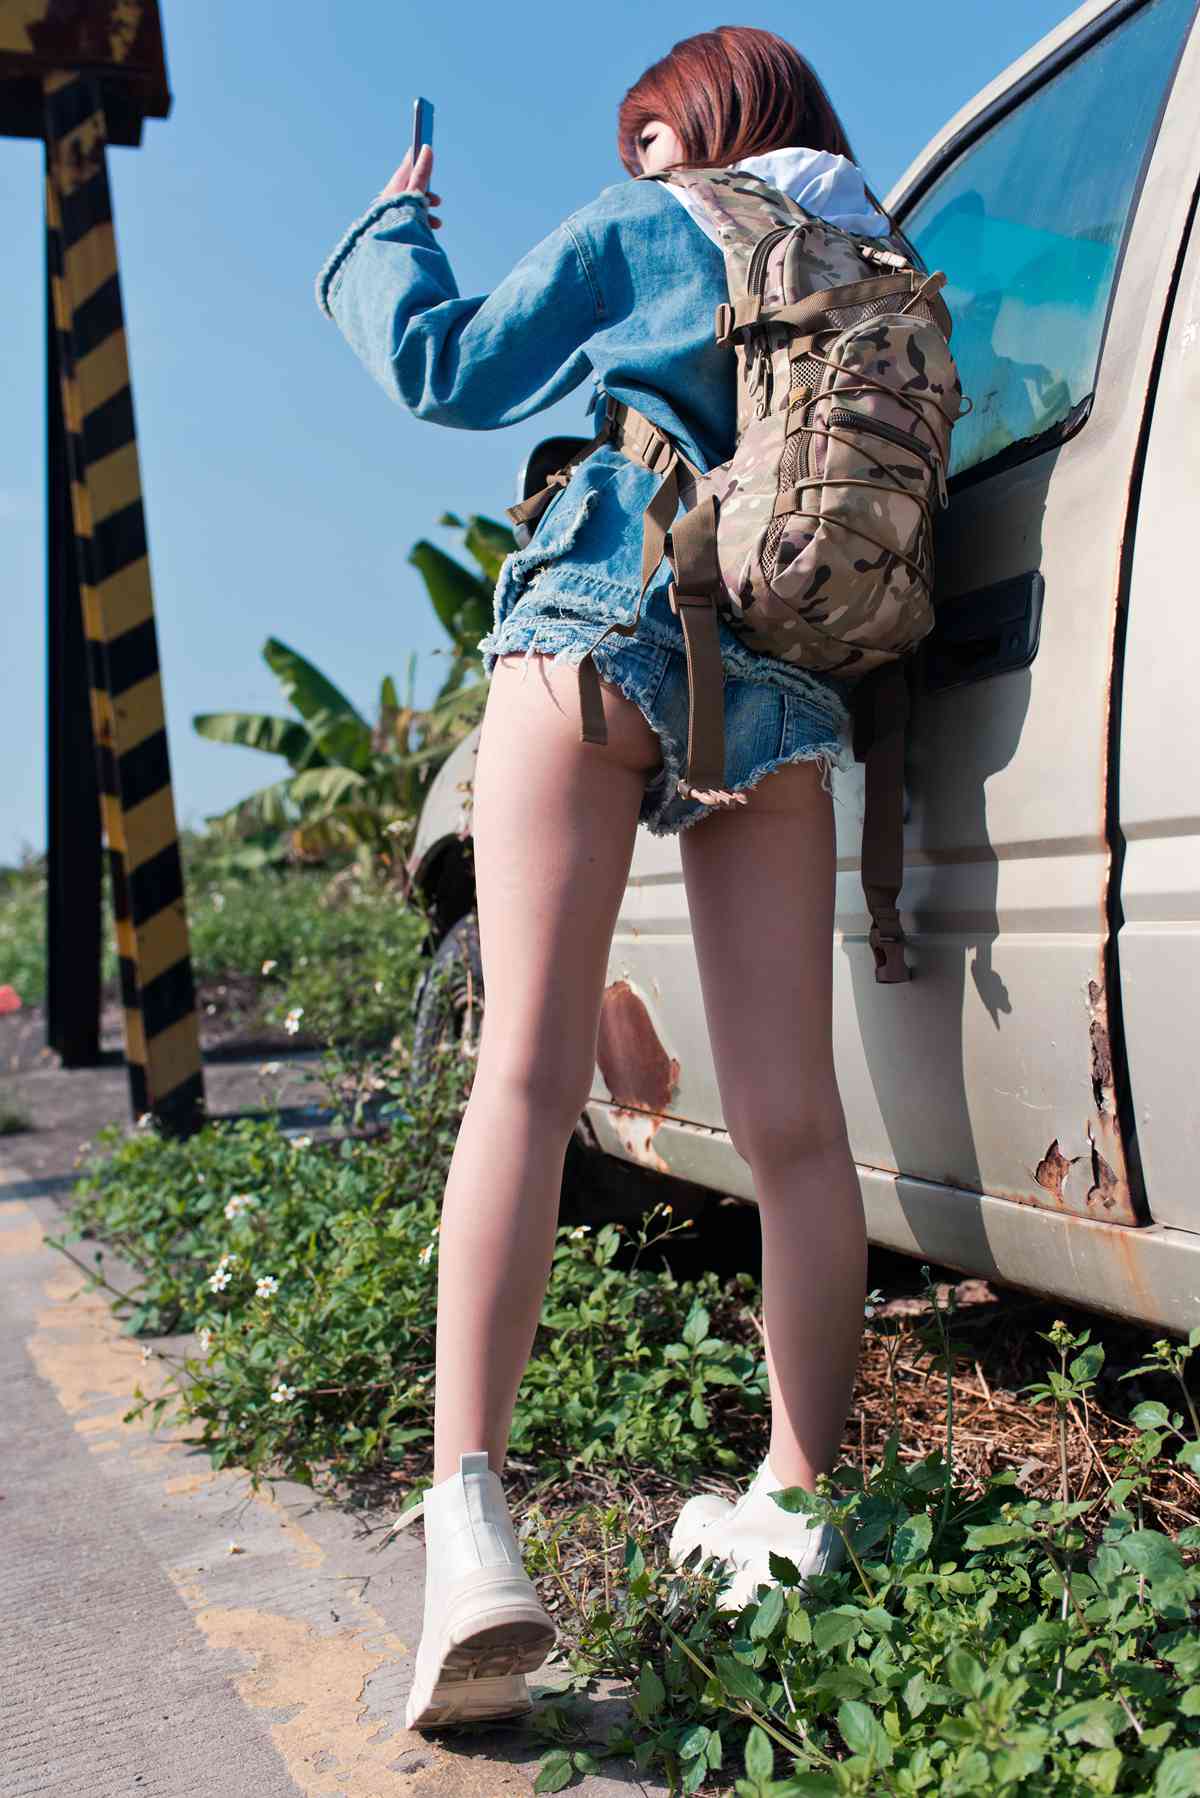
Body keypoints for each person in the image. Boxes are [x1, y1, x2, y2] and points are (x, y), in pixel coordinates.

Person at [315, 23, 889, 1732]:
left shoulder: (667, 216)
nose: (638, 156)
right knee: (795, 1128)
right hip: (781, 672)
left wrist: (394, 230)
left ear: (698, 124)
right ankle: (799, 1501)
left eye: (650, 129)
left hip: (605, 607)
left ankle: (471, 1532)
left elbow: (448, 366)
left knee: (525, 1067)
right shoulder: (874, 259)